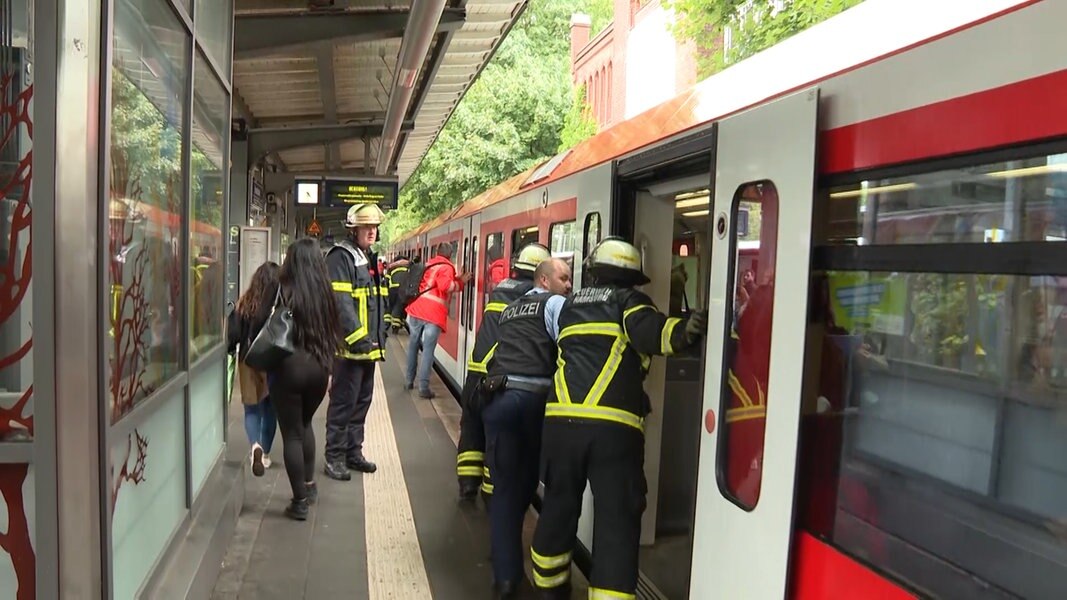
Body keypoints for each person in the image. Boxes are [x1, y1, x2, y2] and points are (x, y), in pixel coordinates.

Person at [530, 237, 707, 599]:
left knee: (559, 506)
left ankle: (549, 587)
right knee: (616, 519)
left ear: (593, 272)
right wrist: (688, 331)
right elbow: (653, 333)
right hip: (612, 429)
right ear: (631, 278)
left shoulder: (568, 305)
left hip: (560, 424)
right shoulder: (629, 301)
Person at [482, 257, 572, 598]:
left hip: (499, 401)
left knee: (506, 491)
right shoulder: (554, 304)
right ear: (545, 281)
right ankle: (550, 574)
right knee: (553, 485)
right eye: (563, 277)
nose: (568, 283)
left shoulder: (510, 309)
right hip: (534, 401)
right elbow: (570, 345)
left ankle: (506, 579)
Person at [457, 243, 552, 502]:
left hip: (474, 371)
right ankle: (491, 493)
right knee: (495, 440)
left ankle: (467, 484)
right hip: (494, 376)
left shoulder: (501, 289)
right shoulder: (533, 296)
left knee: (471, 429)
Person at [267, 238, 342, 520]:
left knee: (292, 434)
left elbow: (265, 322)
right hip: (319, 369)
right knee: (307, 423)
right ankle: (309, 486)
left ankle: (299, 502)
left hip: (288, 368)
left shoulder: (282, 289)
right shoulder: (326, 292)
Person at [323, 203, 389, 481]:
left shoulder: (367, 257)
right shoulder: (341, 258)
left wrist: (378, 335)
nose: (372, 232)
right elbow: (341, 305)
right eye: (366, 227)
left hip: (368, 350)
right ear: (353, 229)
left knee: (361, 404)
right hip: (349, 350)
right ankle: (334, 457)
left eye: (374, 227)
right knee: (342, 405)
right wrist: (359, 338)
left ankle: (353, 452)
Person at [226, 261, 280, 477]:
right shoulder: (280, 305)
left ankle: (254, 446)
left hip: (248, 361)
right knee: (270, 410)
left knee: (252, 408)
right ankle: (265, 453)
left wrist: (230, 350)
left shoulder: (245, 302)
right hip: (274, 362)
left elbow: (233, 335)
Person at [405, 242, 470, 398]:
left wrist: (456, 278)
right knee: (428, 350)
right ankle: (423, 387)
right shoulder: (447, 267)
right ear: (449, 254)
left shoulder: (429, 264)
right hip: (432, 314)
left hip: (416, 309)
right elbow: (445, 286)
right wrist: (461, 282)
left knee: (413, 344)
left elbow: (434, 282)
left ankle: (408, 380)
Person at [385, 255, 411, 333]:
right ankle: (396, 326)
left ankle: (386, 323)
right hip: (403, 289)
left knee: (390, 305)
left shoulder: (392, 268)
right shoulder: (409, 268)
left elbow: (386, 279)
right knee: (399, 306)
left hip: (392, 288)